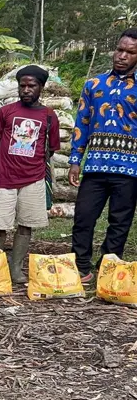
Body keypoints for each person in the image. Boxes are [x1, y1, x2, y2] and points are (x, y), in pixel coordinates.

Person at [69, 29, 137, 282]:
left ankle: (108, 268)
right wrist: (75, 160)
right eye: (119, 49)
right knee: (83, 217)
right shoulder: (94, 85)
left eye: (130, 52)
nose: (122, 56)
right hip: (95, 166)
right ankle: (80, 266)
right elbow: (82, 122)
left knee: (120, 222)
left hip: (130, 170)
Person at [0, 65, 60, 283]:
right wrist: (4, 163)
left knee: (25, 224)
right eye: (23, 86)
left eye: (32, 86)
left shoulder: (49, 116)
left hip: (33, 179)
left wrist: (32, 164)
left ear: (41, 87)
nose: (26, 90)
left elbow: (50, 149)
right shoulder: (6, 112)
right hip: (5, 178)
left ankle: (15, 268)